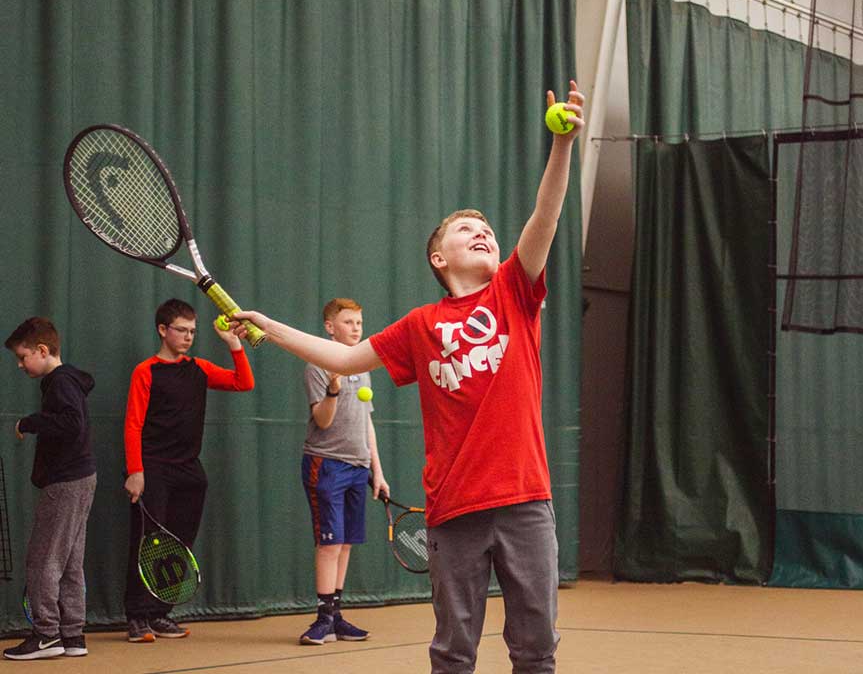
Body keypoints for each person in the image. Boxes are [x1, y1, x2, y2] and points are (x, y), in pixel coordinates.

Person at [231, 81, 584, 674]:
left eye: (487, 229)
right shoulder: (420, 325)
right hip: (453, 507)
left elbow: (544, 218)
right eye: (464, 229)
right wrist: (269, 327)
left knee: (536, 650)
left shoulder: (514, 293)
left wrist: (563, 145)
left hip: (526, 500)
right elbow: (342, 359)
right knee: (452, 653)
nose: (482, 231)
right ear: (438, 259)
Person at [122, 299, 255, 644]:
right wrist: (136, 471)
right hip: (153, 470)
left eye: (193, 331)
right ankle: (137, 617)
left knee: (178, 545)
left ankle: (160, 613)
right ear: (163, 330)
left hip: (189, 471)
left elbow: (244, 383)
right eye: (181, 330)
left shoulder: (199, 368)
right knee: (147, 543)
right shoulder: (145, 371)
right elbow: (133, 424)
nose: (188, 337)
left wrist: (234, 345)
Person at [3, 317, 97, 661]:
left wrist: (29, 423)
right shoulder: (66, 381)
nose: (20, 363)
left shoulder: (59, 383)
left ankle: (46, 634)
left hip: (67, 481)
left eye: (23, 355)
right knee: (70, 561)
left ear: (43, 351)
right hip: (81, 478)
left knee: (43, 559)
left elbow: (71, 423)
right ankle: (72, 635)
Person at [299, 297, 389, 646]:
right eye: (349, 322)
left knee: (346, 543)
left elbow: (367, 422)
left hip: (358, 467)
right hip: (326, 464)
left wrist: (376, 471)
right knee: (330, 544)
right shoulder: (317, 366)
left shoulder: (361, 365)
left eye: (359, 323)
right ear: (330, 327)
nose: (356, 329)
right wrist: (334, 389)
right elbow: (323, 421)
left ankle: (336, 616)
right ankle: (322, 619)